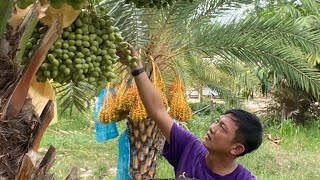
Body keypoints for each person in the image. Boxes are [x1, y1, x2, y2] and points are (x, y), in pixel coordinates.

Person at [120, 46, 263, 179]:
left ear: (236, 148)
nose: (212, 128)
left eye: (222, 128)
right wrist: (137, 67)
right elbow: (158, 112)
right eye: (217, 122)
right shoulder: (190, 148)